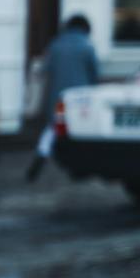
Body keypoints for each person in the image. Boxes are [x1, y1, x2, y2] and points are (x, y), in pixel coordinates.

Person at [27, 15, 100, 182]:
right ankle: (79, 170)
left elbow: (45, 69)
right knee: (80, 132)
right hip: (81, 98)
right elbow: (95, 74)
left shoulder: (55, 45)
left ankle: (40, 157)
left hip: (57, 97)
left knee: (52, 130)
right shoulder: (87, 46)